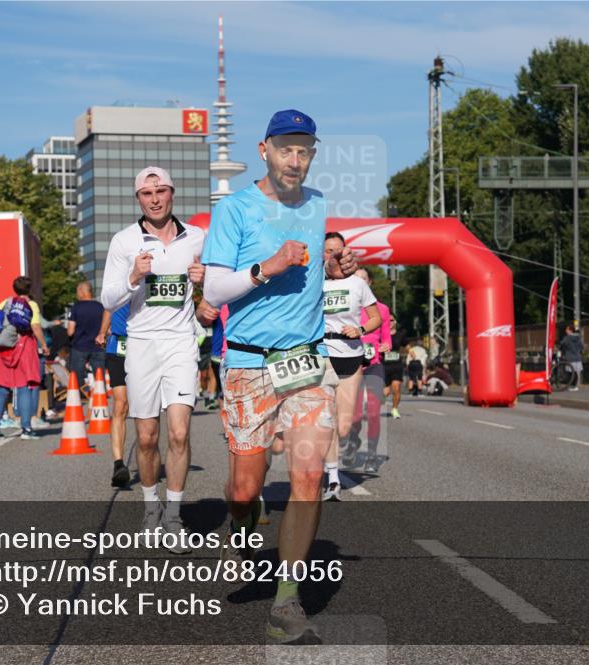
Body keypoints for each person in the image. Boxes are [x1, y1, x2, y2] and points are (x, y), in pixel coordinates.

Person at [203, 109, 358, 644]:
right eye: (286, 149)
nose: (295, 159)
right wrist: (266, 267)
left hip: (305, 362)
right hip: (247, 363)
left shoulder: (316, 204)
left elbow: (311, 268)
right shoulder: (235, 209)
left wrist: (331, 269)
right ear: (265, 149)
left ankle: (287, 602)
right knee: (246, 487)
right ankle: (241, 527)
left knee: (309, 475)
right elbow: (214, 292)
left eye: (305, 150)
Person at [100, 166, 206, 549]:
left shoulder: (196, 237)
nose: (156, 198)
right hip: (141, 344)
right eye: (147, 193)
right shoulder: (124, 241)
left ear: (172, 193)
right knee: (147, 438)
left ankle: (175, 516)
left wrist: (204, 278)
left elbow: (218, 288)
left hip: (180, 342)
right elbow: (107, 300)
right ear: (138, 199)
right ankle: (151, 509)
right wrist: (132, 277)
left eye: (161, 190)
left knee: (179, 432)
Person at [320, 233, 381, 500]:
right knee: (327, 418)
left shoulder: (358, 284)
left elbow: (376, 317)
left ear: (346, 253)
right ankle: (332, 478)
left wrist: (360, 329)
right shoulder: (315, 282)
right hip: (323, 354)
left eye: (337, 250)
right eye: (327, 250)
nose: (332, 255)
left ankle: (330, 466)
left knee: (343, 426)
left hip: (350, 355)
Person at [0, 276, 49, 440]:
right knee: (23, 388)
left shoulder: (5, 303)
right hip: (24, 347)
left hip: (4, 348)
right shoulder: (31, 305)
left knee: (1, 389)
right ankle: (26, 429)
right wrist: (43, 345)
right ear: (29, 289)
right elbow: (35, 326)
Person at [349, 268, 390, 474]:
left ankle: (372, 455)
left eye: (363, 279)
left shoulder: (381, 309)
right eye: (356, 279)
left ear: (370, 283)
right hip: (351, 365)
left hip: (373, 364)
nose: (360, 282)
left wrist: (386, 345)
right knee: (354, 416)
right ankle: (352, 439)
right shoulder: (347, 307)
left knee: (374, 411)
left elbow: (386, 337)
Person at [99, 305, 131, 488]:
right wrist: (102, 332)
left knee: (148, 411)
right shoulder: (116, 280)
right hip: (117, 347)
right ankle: (118, 464)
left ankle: (149, 453)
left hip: (144, 346)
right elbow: (109, 307)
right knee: (121, 405)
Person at [67, 281, 106, 387]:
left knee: (77, 377)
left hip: (79, 347)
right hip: (98, 347)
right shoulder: (101, 307)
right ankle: (101, 398)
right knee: (100, 377)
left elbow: (70, 331)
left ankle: (79, 397)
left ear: (81, 291)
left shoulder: (76, 307)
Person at [382, 314, 408, 419]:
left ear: (395, 322)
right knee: (385, 392)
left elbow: (406, 345)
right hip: (384, 365)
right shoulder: (381, 335)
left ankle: (395, 409)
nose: (390, 322)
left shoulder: (400, 334)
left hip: (397, 365)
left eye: (392, 320)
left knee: (396, 388)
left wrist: (411, 352)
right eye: (388, 320)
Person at [559, 325, 585, 391]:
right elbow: (582, 347)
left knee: (570, 372)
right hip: (577, 357)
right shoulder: (578, 338)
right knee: (575, 372)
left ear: (570, 330)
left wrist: (562, 350)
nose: (565, 331)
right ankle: (575, 386)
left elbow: (561, 345)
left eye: (567, 329)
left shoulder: (567, 338)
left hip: (570, 357)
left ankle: (572, 385)